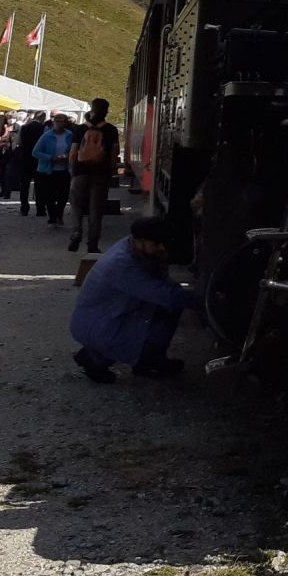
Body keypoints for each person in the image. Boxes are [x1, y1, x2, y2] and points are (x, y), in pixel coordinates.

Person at [70, 215, 197, 383]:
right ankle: (100, 359)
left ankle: (142, 358)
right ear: (141, 241)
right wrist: (205, 302)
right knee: (167, 307)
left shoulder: (135, 248)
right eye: (156, 244)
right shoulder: (121, 264)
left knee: (166, 306)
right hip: (101, 322)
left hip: (111, 312)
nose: (161, 248)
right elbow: (164, 294)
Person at [68, 98, 119, 253]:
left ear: (91, 109)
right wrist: (110, 170)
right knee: (96, 210)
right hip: (101, 174)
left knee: (76, 205)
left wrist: (72, 170)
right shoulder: (111, 129)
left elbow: (73, 153)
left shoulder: (80, 128)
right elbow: (114, 153)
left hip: (80, 172)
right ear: (107, 111)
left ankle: (77, 231)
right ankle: (92, 244)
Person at [33, 111, 74, 227]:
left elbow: (74, 150)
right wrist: (50, 158)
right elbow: (35, 152)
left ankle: (59, 214)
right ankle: (52, 217)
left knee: (63, 195)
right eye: (58, 121)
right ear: (54, 122)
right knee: (49, 196)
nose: (60, 124)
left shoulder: (69, 135)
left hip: (65, 169)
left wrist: (68, 156)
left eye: (63, 121)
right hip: (49, 170)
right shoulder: (47, 136)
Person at [14, 110, 46, 215]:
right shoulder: (43, 129)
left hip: (26, 157)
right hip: (38, 158)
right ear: (43, 118)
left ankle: (24, 208)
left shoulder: (24, 127)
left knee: (24, 184)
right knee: (40, 184)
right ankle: (40, 209)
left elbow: (18, 142)